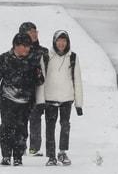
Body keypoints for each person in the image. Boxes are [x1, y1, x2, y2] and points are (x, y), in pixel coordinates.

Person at [0, 32, 44, 166]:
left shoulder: (32, 60)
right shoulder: (4, 58)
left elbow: (40, 81)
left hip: (25, 101)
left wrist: (38, 75)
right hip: (7, 98)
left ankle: (18, 156)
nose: (27, 49)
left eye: (28, 46)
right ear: (15, 46)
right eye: (24, 46)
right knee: (7, 127)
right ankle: (6, 155)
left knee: (21, 129)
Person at [36, 30, 84, 166]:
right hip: (50, 98)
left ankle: (62, 152)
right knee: (49, 128)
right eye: (59, 40)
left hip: (67, 98)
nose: (61, 43)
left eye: (64, 40)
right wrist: (40, 101)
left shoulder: (72, 57)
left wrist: (79, 103)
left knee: (65, 125)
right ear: (54, 41)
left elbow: (78, 80)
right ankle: (51, 156)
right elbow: (41, 80)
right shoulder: (46, 56)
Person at [18, 22, 50, 156]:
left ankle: (34, 148)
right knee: (21, 119)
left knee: (35, 118)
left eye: (35, 31)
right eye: (31, 32)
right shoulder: (19, 51)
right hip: (22, 90)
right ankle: (20, 147)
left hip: (39, 91)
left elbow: (48, 71)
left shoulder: (43, 51)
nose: (34, 34)